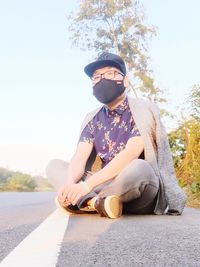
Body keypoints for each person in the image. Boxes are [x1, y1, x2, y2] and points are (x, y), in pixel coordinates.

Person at [46, 52, 187, 219]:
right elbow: (80, 156)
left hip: (136, 187)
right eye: (96, 76)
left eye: (110, 73)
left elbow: (131, 153)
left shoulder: (142, 110)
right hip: (103, 182)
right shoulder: (93, 118)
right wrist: (70, 184)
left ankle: (85, 202)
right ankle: (98, 203)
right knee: (54, 166)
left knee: (139, 167)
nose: (102, 79)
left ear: (125, 80)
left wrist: (85, 187)